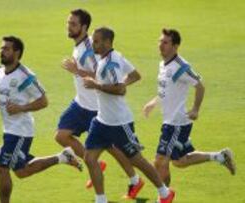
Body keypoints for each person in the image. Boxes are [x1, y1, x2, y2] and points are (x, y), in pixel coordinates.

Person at [55, 9, 144, 198]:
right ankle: (97, 165)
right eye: (68, 23)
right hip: (81, 103)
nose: (68, 27)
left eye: (73, 24)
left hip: (96, 107)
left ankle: (135, 180)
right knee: (62, 135)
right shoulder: (79, 45)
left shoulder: (90, 50)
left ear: (84, 27)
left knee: (114, 148)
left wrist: (77, 70)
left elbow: (102, 78)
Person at [83, 27, 175, 203]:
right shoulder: (115, 56)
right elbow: (135, 75)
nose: (93, 44)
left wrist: (97, 86)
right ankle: (100, 200)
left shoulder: (111, 63)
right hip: (102, 121)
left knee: (136, 160)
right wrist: (120, 84)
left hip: (119, 123)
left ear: (108, 42)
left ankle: (165, 193)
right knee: (90, 158)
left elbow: (119, 90)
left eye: (97, 41)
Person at [0, 36, 82, 203]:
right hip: (9, 129)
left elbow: (43, 101)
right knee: (21, 171)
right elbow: (5, 94)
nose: (1, 51)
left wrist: (21, 108)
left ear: (17, 53)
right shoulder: (0, 72)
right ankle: (62, 157)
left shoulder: (25, 75)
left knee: (2, 169)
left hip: (20, 130)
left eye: (6, 49)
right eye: (1, 48)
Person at [142, 28, 236, 187]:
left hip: (176, 123)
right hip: (170, 121)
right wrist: (154, 102)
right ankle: (220, 156)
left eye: (165, 42)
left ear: (175, 46)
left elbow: (200, 86)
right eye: (160, 41)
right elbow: (166, 90)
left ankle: (164, 197)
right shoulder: (163, 65)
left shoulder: (181, 66)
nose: (161, 45)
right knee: (179, 161)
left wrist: (195, 109)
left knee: (160, 161)